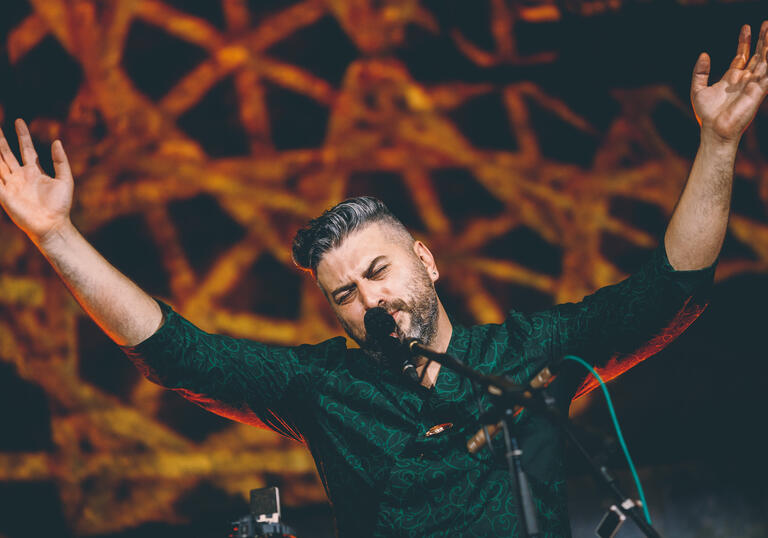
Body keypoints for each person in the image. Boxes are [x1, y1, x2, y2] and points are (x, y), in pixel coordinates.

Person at [0, 21, 766, 537]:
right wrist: (56, 234)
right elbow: (175, 352)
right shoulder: (319, 387)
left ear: (426, 260)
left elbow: (673, 289)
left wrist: (721, 144)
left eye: (377, 270)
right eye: (345, 294)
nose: (368, 300)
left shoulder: (533, 353)